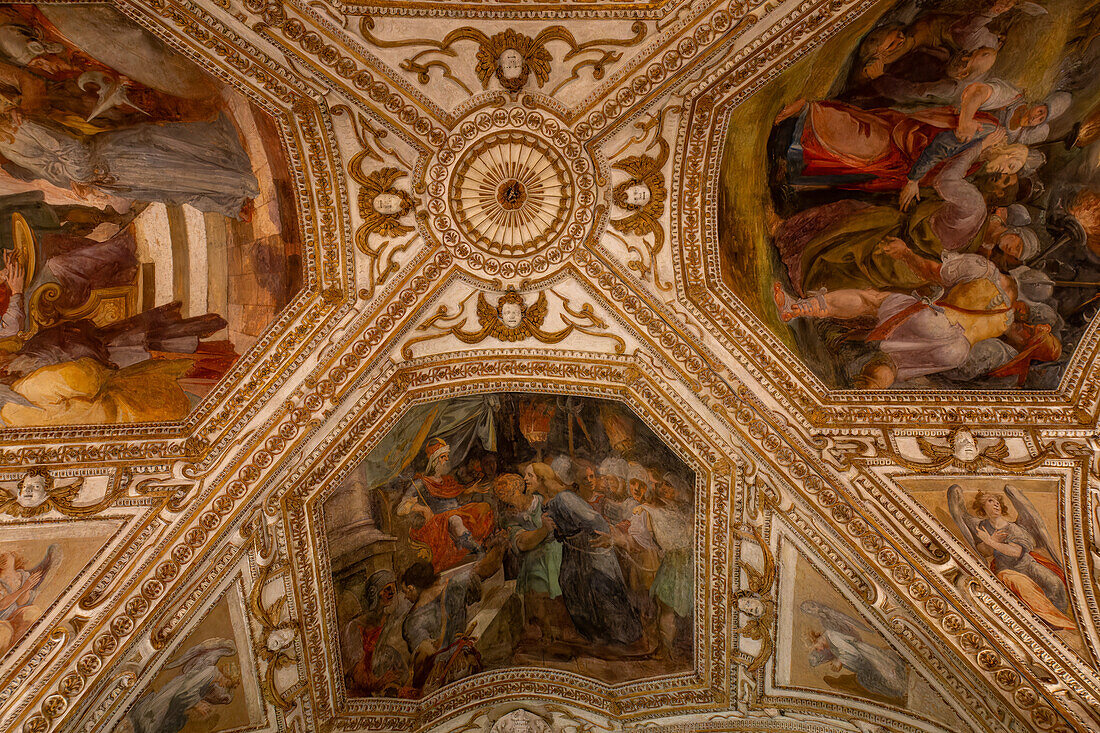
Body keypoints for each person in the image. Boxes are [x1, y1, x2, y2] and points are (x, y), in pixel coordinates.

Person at [774, 251, 1061, 388]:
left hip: (938, 321)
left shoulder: (985, 270)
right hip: (956, 353)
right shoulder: (1007, 320)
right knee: (892, 365)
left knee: (871, 301)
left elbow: (933, 271)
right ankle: (855, 402)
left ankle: (797, 309)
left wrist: (904, 252)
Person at [545, 488, 642, 647]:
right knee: (571, 586)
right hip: (572, 551)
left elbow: (597, 522)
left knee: (601, 588)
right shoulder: (548, 503)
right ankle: (594, 636)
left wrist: (600, 538)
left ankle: (622, 636)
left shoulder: (564, 497)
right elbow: (555, 534)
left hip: (589, 548)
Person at [397, 438, 495, 573]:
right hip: (441, 520)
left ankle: (470, 545)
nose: (447, 460)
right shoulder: (421, 483)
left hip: (457, 512)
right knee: (455, 519)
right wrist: (422, 508)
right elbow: (401, 508)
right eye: (443, 457)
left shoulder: (448, 480)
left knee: (483, 507)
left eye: (447, 457)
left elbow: (456, 494)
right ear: (434, 459)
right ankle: (478, 551)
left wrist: (471, 490)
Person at [494, 473, 564, 640]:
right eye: (499, 492)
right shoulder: (509, 518)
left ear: (519, 487)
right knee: (537, 596)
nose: (503, 494)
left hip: (558, 555)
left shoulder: (543, 500)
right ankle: (545, 635)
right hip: (534, 561)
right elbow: (522, 543)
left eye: (507, 488)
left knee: (561, 600)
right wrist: (543, 530)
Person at [126, 638, 240, 733]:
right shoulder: (209, 673)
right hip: (174, 692)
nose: (225, 686)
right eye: (228, 683)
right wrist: (197, 703)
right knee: (154, 718)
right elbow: (185, 690)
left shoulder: (212, 677)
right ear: (225, 676)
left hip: (175, 691)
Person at [0, 544, 57, 654]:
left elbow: (22, 602)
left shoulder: (22, 575)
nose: (2, 559)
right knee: (4, 632)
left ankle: (22, 652)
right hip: (1, 620)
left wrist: (26, 588)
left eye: (4, 555)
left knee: (32, 612)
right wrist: (23, 588)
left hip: (13, 617)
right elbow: (1, 605)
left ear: (13, 554)